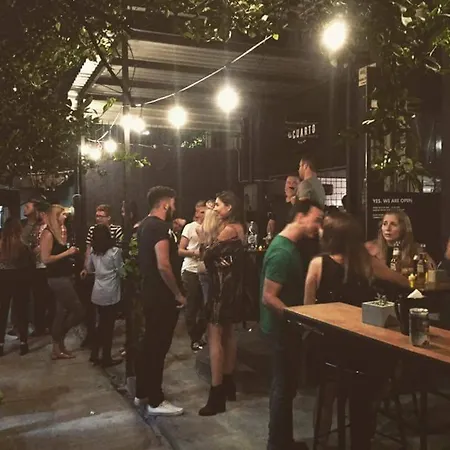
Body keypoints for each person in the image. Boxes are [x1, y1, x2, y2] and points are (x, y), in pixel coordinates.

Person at [304, 212, 410, 450]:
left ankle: (321, 442)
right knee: (370, 384)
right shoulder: (366, 262)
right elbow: (403, 282)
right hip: (362, 348)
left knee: (326, 396)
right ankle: (362, 437)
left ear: (332, 237)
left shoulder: (318, 264)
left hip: (327, 347)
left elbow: (307, 310)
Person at [260, 199, 323, 450]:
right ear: (300, 216)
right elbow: (268, 297)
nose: (319, 226)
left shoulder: (287, 246)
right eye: (316, 219)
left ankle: (282, 441)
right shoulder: (282, 252)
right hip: (282, 330)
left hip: (283, 329)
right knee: (283, 389)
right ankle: (277, 443)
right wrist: (298, 319)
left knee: (285, 388)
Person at [134, 186, 186, 416]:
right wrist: (177, 293)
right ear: (165, 203)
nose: (174, 207)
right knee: (158, 347)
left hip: (149, 292)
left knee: (149, 345)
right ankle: (155, 400)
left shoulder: (145, 225)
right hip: (161, 296)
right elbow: (163, 265)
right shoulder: (159, 227)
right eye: (173, 203)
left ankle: (142, 392)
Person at [198, 191, 245, 417]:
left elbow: (206, 254)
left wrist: (204, 238)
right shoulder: (239, 228)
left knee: (215, 339)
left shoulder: (228, 231)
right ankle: (228, 384)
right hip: (233, 290)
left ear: (229, 207)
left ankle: (216, 394)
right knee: (229, 335)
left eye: (217, 205)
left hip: (220, 290)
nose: (214, 209)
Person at [40, 205, 84, 360]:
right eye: (62, 214)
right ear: (55, 216)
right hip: (57, 278)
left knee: (60, 313)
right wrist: (67, 253)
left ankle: (57, 348)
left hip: (63, 276)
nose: (65, 217)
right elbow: (45, 259)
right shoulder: (48, 234)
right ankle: (58, 339)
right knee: (78, 311)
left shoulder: (59, 231)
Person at [86, 224, 123, 368]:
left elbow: (89, 268)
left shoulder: (93, 252)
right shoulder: (114, 252)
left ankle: (94, 354)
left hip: (97, 290)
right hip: (111, 291)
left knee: (100, 324)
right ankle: (106, 357)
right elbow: (120, 270)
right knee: (108, 326)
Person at [0, 218, 34, 356]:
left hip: (3, 279)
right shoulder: (23, 246)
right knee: (21, 312)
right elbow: (30, 265)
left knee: (2, 312)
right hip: (20, 280)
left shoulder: (1, 245)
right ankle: (23, 343)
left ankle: (1, 344)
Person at [178, 200, 207, 352]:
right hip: (190, 270)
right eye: (199, 212)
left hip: (205, 271)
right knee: (192, 304)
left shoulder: (211, 228)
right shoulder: (190, 227)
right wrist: (194, 253)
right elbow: (180, 250)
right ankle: (194, 338)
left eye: (204, 212)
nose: (201, 215)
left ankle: (199, 334)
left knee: (206, 306)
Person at [365, 209, 435, 270]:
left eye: (393, 224)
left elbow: (432, 272)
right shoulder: (369, 249)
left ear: (403, 228)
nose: (387, 228)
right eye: (385, 224)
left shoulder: (416, 250)